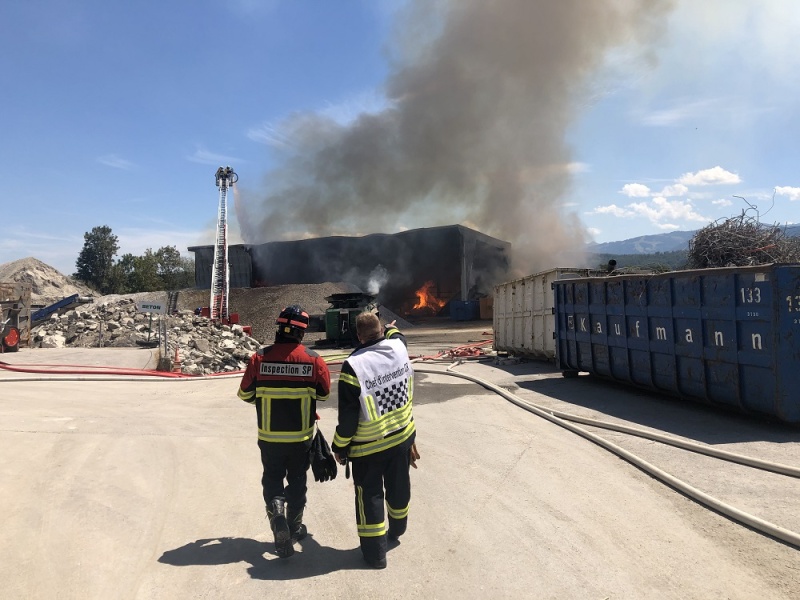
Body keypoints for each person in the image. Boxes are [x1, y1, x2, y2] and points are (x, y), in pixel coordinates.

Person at [237, 304, 331, 558]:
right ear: (302, 333)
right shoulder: (313, 360)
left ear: (279, 328)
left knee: (272, 480)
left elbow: (245, 394)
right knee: (297, 482)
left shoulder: (259, 357)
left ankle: (277, 513)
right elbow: (323, 394)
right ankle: (293, 527)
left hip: (269, 437)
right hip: (300, 439)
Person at [332, 313, 420, 569]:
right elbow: (398, 335)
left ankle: (375, 555)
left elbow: (348, 419)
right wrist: (391, 329)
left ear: (358, 336)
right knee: (399, 486)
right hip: (401, 437)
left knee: (369, 497)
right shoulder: (398, 347)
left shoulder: (354, 366)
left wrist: (339, 446)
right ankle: (398, 529)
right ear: (381, 329)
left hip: (368, 447)